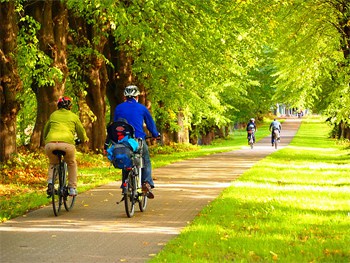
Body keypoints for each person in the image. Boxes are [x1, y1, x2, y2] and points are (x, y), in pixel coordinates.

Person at [113, 85, 160, 199]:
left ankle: (125, 183)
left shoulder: (118, 108)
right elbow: (150, 124)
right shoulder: (142, 108)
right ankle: (146, 183)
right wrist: (155, 134)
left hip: (124, 141)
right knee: (146, 159)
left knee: (125, 158)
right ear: (137, 96)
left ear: (125, 97)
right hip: (138, 140)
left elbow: (115, 124)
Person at [44, 96, 89, 196]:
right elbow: (81, 131)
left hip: (50, 144)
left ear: (58, 106)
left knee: (53, 163)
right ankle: (72, 188)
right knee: (71, 163)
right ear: (70, 106)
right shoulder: (73, 116)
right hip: (67, 145)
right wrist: (84, 139)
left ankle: (50, 183)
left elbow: (46, 130)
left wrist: (46, 140)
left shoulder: (53, 115)